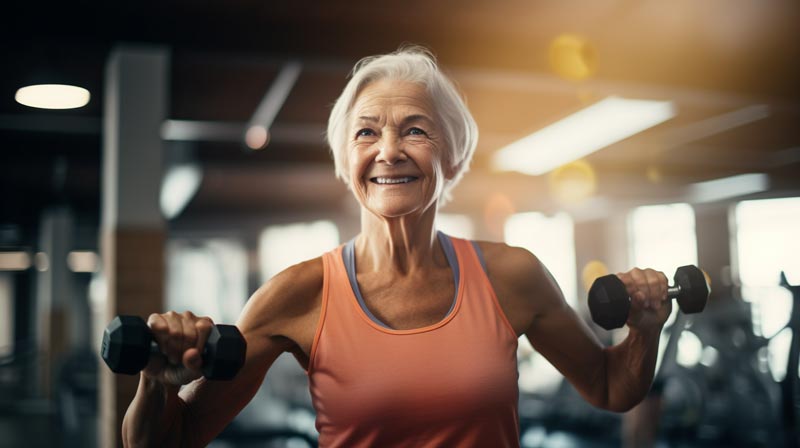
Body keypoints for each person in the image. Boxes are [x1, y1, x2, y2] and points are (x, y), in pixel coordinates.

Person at [121, 46, 672, 447]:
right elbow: (171, 439)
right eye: (366, 132)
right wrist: (155, 383)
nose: (389, 151)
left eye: (415, 130)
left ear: (451, 157)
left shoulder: (512, 275)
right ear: (346, 162)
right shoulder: (298, 293)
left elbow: (609, 387)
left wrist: (645, 329)